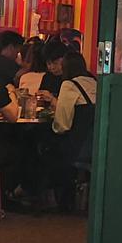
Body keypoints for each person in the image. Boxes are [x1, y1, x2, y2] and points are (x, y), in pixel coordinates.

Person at [43, 50, 98, 212]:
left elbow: (62, 125)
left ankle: (49, 197)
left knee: (44, 147)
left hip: (77, 147)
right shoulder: (95, 82)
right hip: (96, 146)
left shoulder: (69, 85)